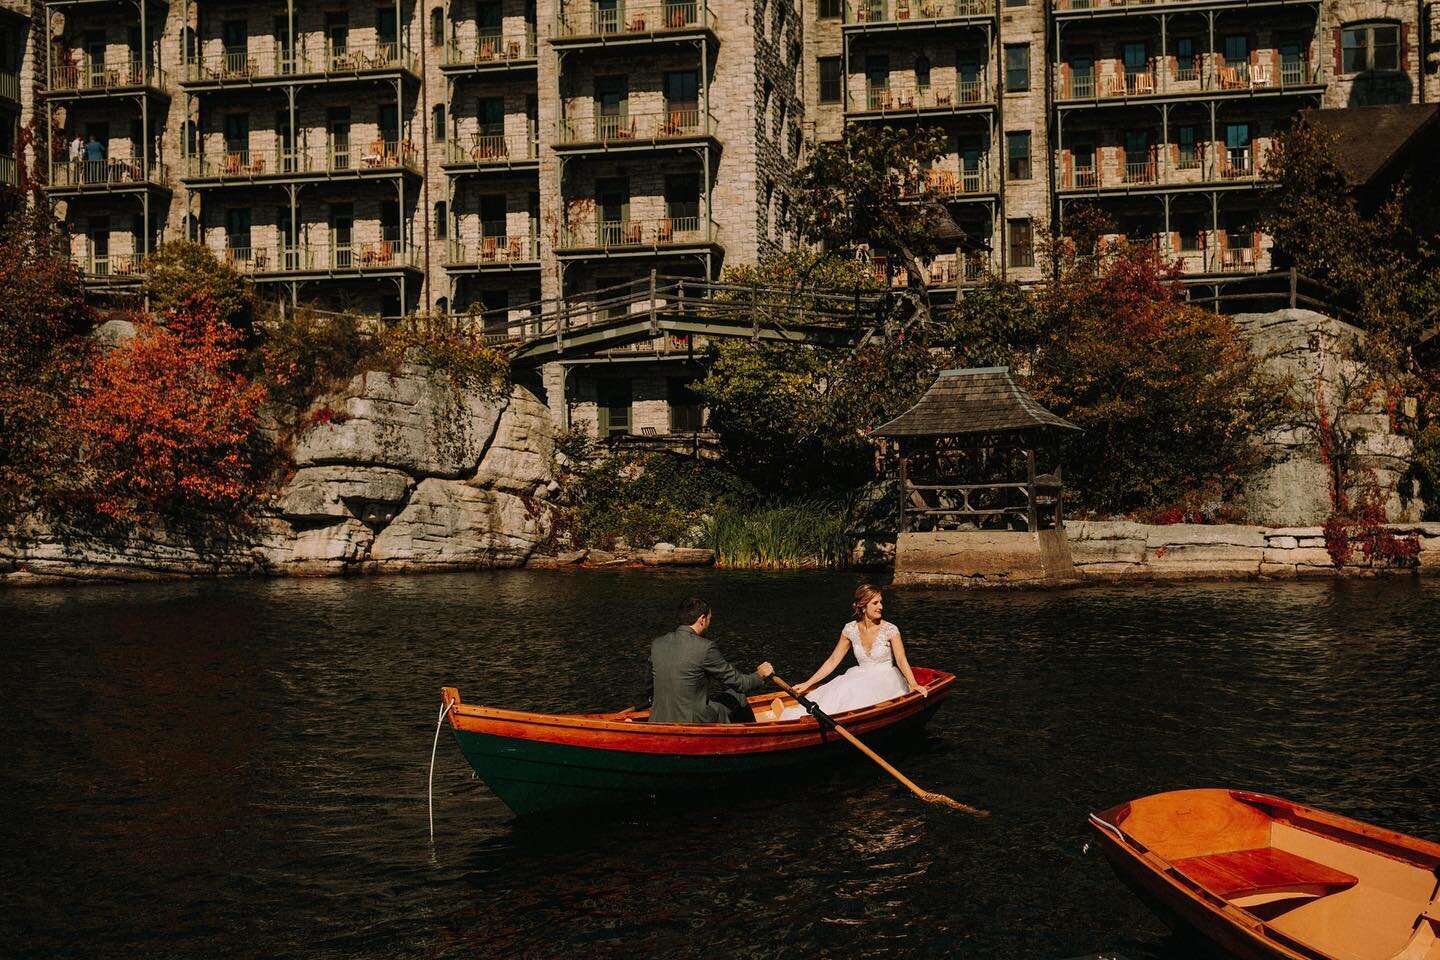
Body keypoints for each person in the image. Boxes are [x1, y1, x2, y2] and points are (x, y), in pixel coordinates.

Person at [771, 584, 927, 721]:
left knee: (855, 696)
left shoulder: (890, 630)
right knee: (840, 691)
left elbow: (901, 659)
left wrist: (913, 684)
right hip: (859, 675)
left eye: (881, 602)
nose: (881, 607)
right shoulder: (850, 629)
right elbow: (833, 660)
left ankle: (832, 722)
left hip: (885, 679)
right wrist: (808, 683)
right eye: (875, 603)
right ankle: (807, 717)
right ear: (863, 606)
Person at [647, 597, 773, 724]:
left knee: (709, 699)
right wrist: (760, 674)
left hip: (658, 719)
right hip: (693, 722)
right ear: (702, 619)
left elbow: (649, 686)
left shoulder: (657, 644)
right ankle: (750, 737)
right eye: (709, 618)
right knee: (737, 695)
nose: (709, 622)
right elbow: (740, 683)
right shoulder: (705, 647)